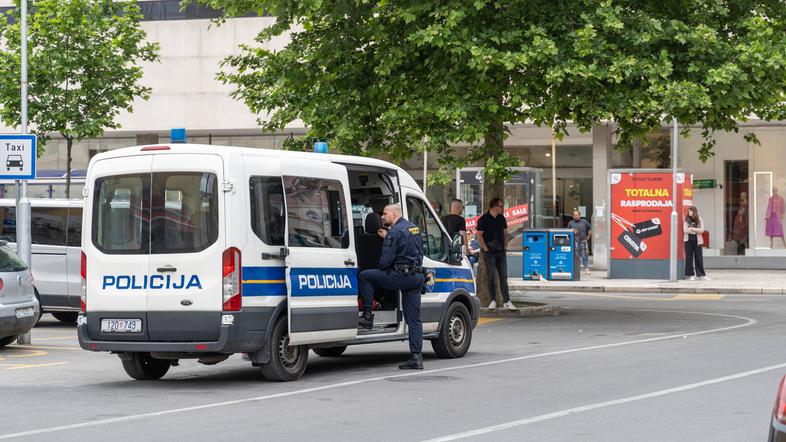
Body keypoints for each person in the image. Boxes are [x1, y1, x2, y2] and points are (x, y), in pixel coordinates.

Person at [357, 204, 426, 370]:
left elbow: (385, 261)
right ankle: (416, 358)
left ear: (394, 214)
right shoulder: (414, 229)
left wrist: (381, 267)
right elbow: (419, 252)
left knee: (365, 276)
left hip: (399, 277)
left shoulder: (394, 232)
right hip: (416, 277)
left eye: (385, 213)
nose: (382, 217)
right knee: (414, 319)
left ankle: (367, 316)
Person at [476, 198, 515, 310]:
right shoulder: (483, 219)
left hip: (501, 252)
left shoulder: (501, 218)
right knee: (491, 276)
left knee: (503, 277)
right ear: (494, 207)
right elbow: (479, 235)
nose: (502, 208)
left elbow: (505, 233)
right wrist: (486, 249)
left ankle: (507, 301)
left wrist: (505, 247)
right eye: (501, 206)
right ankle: (492, 300)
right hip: (489, 252)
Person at [684, 206, 709, 281]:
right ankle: (691, 275)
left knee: (699, 258)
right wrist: (696, 231)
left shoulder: (699, 219)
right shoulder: (686, 220)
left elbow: (702, 230)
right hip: (688, 241)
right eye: (688, 211)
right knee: (689, 258)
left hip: (698, 241)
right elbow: (685, 230)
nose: (689, 212)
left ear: (694, 212)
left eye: (690, 211)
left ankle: (701, 275)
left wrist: (692, 229)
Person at [567, 210, 592, 276]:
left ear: (580, 215)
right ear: (573, 216)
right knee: (574, 256)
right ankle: (574, 269)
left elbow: (590, 228)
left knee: (584, 256)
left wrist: (589, 236)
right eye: (574, 215)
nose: (576, 217)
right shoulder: (570, 223)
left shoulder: (584, 221)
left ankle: (586, 269)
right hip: (574, 242)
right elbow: (568, 232)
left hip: (583, 241)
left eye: (577, 215)